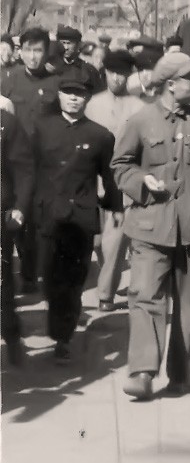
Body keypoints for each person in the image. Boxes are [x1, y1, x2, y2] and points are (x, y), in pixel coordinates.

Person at [111, 51, 190, 400]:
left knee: (188, 306)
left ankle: (180, 374)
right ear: (172, 84)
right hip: (149, 226)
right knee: (144, 296)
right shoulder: (140, 121)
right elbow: (121, 165)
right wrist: (141, 181)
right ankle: (142, 372)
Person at [32, 77, 118, 362]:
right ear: (59, 95)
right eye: (68, 93)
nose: (73, 98)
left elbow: (109, 176)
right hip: (48, 215)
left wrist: (115, 207)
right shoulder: (41, 129)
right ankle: (61, 320)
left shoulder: (100, 136)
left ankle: (63, 338)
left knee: (73, 279)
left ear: (87, 99)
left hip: (80, 218)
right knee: (49, 277)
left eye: (79, 94)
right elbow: (28, 169)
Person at [2, 26, 61, 292]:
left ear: (46, 53)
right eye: (28, 50)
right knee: (13, 215)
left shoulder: (56, 83)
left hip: (43, 162)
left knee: (36, 220)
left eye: (38, 50)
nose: (33, 56)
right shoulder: (8, 79)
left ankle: (28, 273)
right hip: (12, 161)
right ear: (20, 52)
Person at [85, 50, 144, 311]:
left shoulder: (140, 108)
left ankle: (105, 295)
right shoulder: (92, 104)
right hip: (92, 180)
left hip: (121, 182)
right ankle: (105, 277)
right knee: (97, 242)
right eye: (112, 73)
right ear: (105, 73)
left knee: (115, 241)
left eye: (122, 74)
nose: (117, 79)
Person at [1, 109, 34, 365]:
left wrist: (20, 206)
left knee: (2, 284)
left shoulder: (6, 123)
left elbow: (23, 168)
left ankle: (11, 335)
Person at [56, 25, 103, 94]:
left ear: (78, 45)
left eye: (69, 43)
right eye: (63, 43)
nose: (66, 47)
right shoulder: (52, 68)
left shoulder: (89, 70)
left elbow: (99, 95)